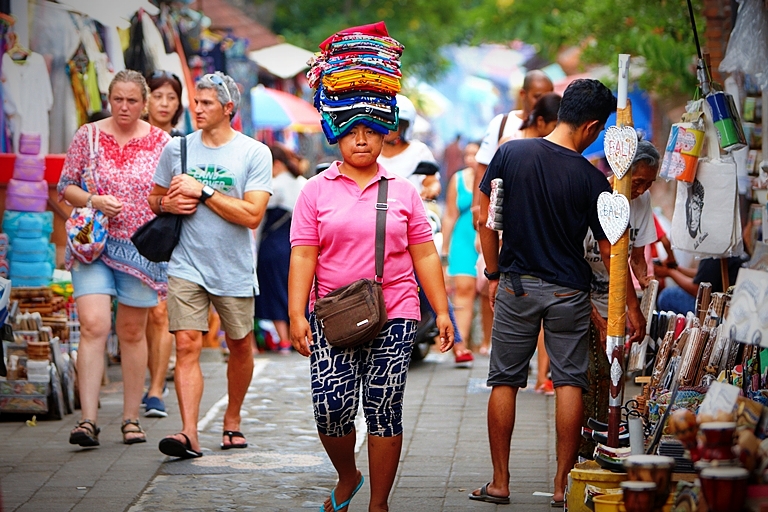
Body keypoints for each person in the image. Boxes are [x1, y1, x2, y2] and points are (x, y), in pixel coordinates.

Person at [470, 79, 645, 507]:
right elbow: (610, 250)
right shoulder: (592, 180)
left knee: (505, 381)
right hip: (569, 293)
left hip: (516, 286)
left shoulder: (511, 154)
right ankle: (562, 485)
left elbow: (485, 219)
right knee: (569, 382)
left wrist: (493, 275)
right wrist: (632, 305)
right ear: (592, 126)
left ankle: (500, 483)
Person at [289, 126, 454, 511]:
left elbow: (424, 253)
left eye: (370, 132)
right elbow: (303, 253)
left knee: (383, 405)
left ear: (383, 138)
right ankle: (348, 475)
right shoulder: (315, 190)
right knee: (330, 407)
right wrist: (297, 313)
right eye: (351, 133)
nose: (360, 140)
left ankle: (379, 504)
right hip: (333, 313)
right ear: (337, 138)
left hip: (395, 310)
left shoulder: (403, 191)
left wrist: (443, 311)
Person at [148, 72, 272, 458]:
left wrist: (202, 191)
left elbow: (252, 215)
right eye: (195, 103)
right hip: (186, 263)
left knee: (240, 345)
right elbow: (154, 198)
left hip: (233, 266)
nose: (197, 110)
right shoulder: (178, 148)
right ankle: (189, 433)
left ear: (228, 108)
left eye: (206, 104)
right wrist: (167, 204)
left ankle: (232, 418)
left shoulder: (254, 153)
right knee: (186, 343)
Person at [59, 70, 170, 447]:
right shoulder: (87, 135)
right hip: (92, 244)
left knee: (132, 332)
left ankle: (130, 418)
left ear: (145, 103)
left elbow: (170, 192)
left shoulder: (162, 142)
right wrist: (93, 200)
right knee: (94, 325)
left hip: (140, 248)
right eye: (117, 99)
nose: (124, 107)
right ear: (109, 99)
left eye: (132, 100)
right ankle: (87, 420)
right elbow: (66, 187)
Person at [580, 139, 661, 458]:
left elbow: (636, 257)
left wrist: (646, 283)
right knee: (591, 375)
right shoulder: (597, 197)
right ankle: (585, 449)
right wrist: (625, 310)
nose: (641, 190)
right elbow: (607, 257)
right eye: (637, 182)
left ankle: (603, 444)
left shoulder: (642, 201)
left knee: (612, 375)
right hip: (583, 297)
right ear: (621, 172)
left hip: (619, 300)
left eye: (648, 184)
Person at [142, 69, 185, 418]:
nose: (164, 103)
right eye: (158, 96)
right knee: (139, 314)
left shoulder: (184, 145)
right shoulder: (132, 138)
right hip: (131, 234)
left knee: (160, 313)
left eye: (172, 97)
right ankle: (147, 374)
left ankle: (156, 388)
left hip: (167, 237)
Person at [472, 69, 554, 227]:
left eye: (548, 97)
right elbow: (483, 167)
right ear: (523, 94)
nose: (543, 102)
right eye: (537, 96)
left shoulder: (555, 128)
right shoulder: (502, 123)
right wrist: (478, 209)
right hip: (502, 215)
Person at [254, 143, 307, 351]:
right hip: (298, 245)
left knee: (275, 291)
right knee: (298, 289)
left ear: (275, 164)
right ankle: (300, 336)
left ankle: (284, 339)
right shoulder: (303, 183)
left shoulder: (273, 186)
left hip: (273, 247)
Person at [442, 142, 480, 355]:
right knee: (463, 290)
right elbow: (449, 215)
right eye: (467, 155)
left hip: (485, 238)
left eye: (475, 154)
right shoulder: (457, 179)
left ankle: (485, 344)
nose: (470, 159)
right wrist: (445, 248)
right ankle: (460, 344)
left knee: (486, 293)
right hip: (462, 240)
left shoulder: (492, 177)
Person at [378, 94, 441, 200]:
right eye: (384, 122)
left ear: (404, 126)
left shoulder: (418, 151)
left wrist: (432, 190)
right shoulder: (369, 151)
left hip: (411, 209)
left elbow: (431, 181)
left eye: (394, 123)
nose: (388, 128)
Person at [655, 256, 744, 315]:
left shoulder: (715, 251)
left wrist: (670, 272)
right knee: (672, 293)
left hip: (716, 308)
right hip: (725, 301)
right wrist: (677, 269)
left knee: (667, 296)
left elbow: (697, 290)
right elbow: (703, 274)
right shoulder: (723, 248)